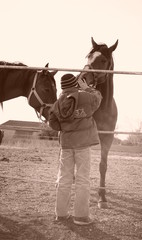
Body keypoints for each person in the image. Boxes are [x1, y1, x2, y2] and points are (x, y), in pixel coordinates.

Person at [49, 73, 102, 225]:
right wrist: (88, 89)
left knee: (64, 178)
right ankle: (81, 217)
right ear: (76, 84)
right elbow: (99, 99)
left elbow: (52, 123)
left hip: (66, 145)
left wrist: (65, 127)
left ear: (62, 87)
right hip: (83, 144)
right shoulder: (86, 97)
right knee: (83, 179)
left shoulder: (58, 103)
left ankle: (61, 214)